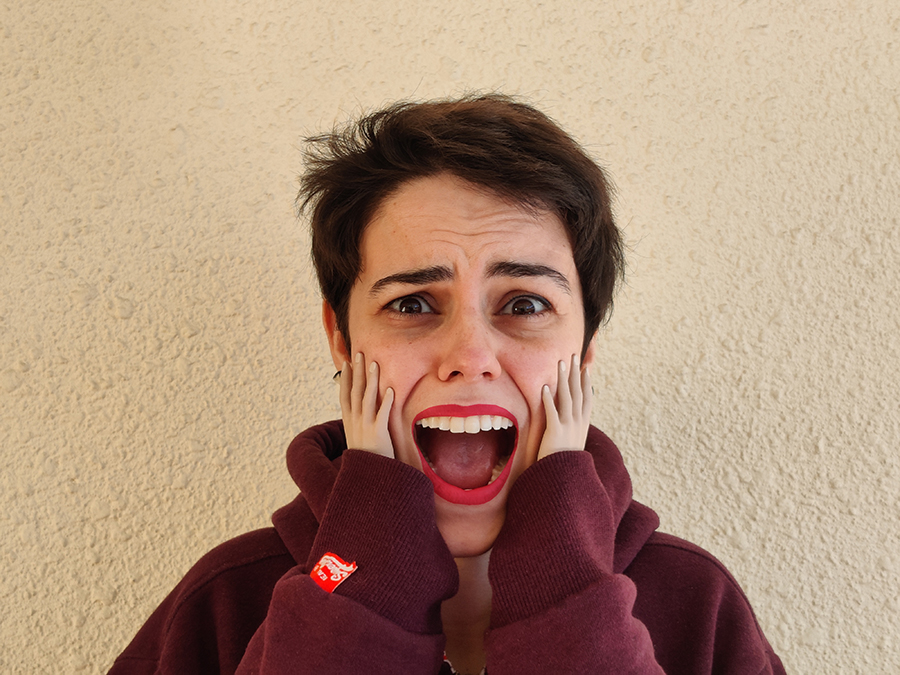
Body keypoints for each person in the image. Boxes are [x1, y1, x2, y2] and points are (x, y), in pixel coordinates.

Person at [109, 95, 785, 674]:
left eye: (524, 304)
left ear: (584, 350)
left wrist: (566, 584)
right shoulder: (226, 601)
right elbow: (337, 578)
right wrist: (359, 572)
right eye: (411, 304)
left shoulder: (696, 603)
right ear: (341, 338)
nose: (470, 356)